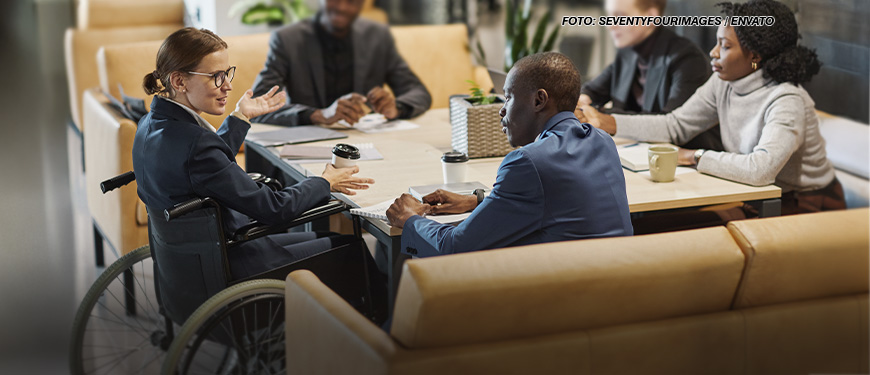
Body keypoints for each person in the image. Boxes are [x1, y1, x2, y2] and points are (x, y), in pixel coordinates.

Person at [133, 27, 376, 279]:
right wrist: (324, 182)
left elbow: (203, 165)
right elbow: (274, 209)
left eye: (227, 73)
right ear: (179, 81)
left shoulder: (150, 125)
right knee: (352, 249)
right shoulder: (197, 146)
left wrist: (241, 115)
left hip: (192, 261)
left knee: (332, 239)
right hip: (236, 262)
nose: (227, 86)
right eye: (216, 76)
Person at [579, 0, 844, 222]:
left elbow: (760, 170)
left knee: (666, 227)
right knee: (651, 223)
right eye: (717, 43)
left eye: (725, 46)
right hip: (757, 196)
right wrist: (609, 122)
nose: (713, 53)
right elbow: (675, 125)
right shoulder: (723, 83)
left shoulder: (787, 99)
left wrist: (693, 156)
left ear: (755, 56)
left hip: (805, 205)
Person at [386, 52, 633, 258]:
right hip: (615, 294)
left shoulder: (528, 162)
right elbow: (560, 201)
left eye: (508, 97)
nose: (501, 110)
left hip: (558, 303)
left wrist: (410, 219)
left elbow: (456, 247)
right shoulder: (602, 140)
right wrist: (478, 201)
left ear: (539, 100)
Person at [250, 0, 432, 127]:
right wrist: (319, 115)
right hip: (307, 146)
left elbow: (418, 92)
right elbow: (257, 105)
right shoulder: (288, 40)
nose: (341, 7)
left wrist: (396, 108)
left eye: (351, 1)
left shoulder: (377, 37)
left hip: (366, 145)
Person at [576, 0, 710, 116]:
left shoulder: (687, 58)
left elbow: (670, 123)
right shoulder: (627, 53)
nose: (610, 25)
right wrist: (583, 100)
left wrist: (602, 115)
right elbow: (592, 91)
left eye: (620, 17)